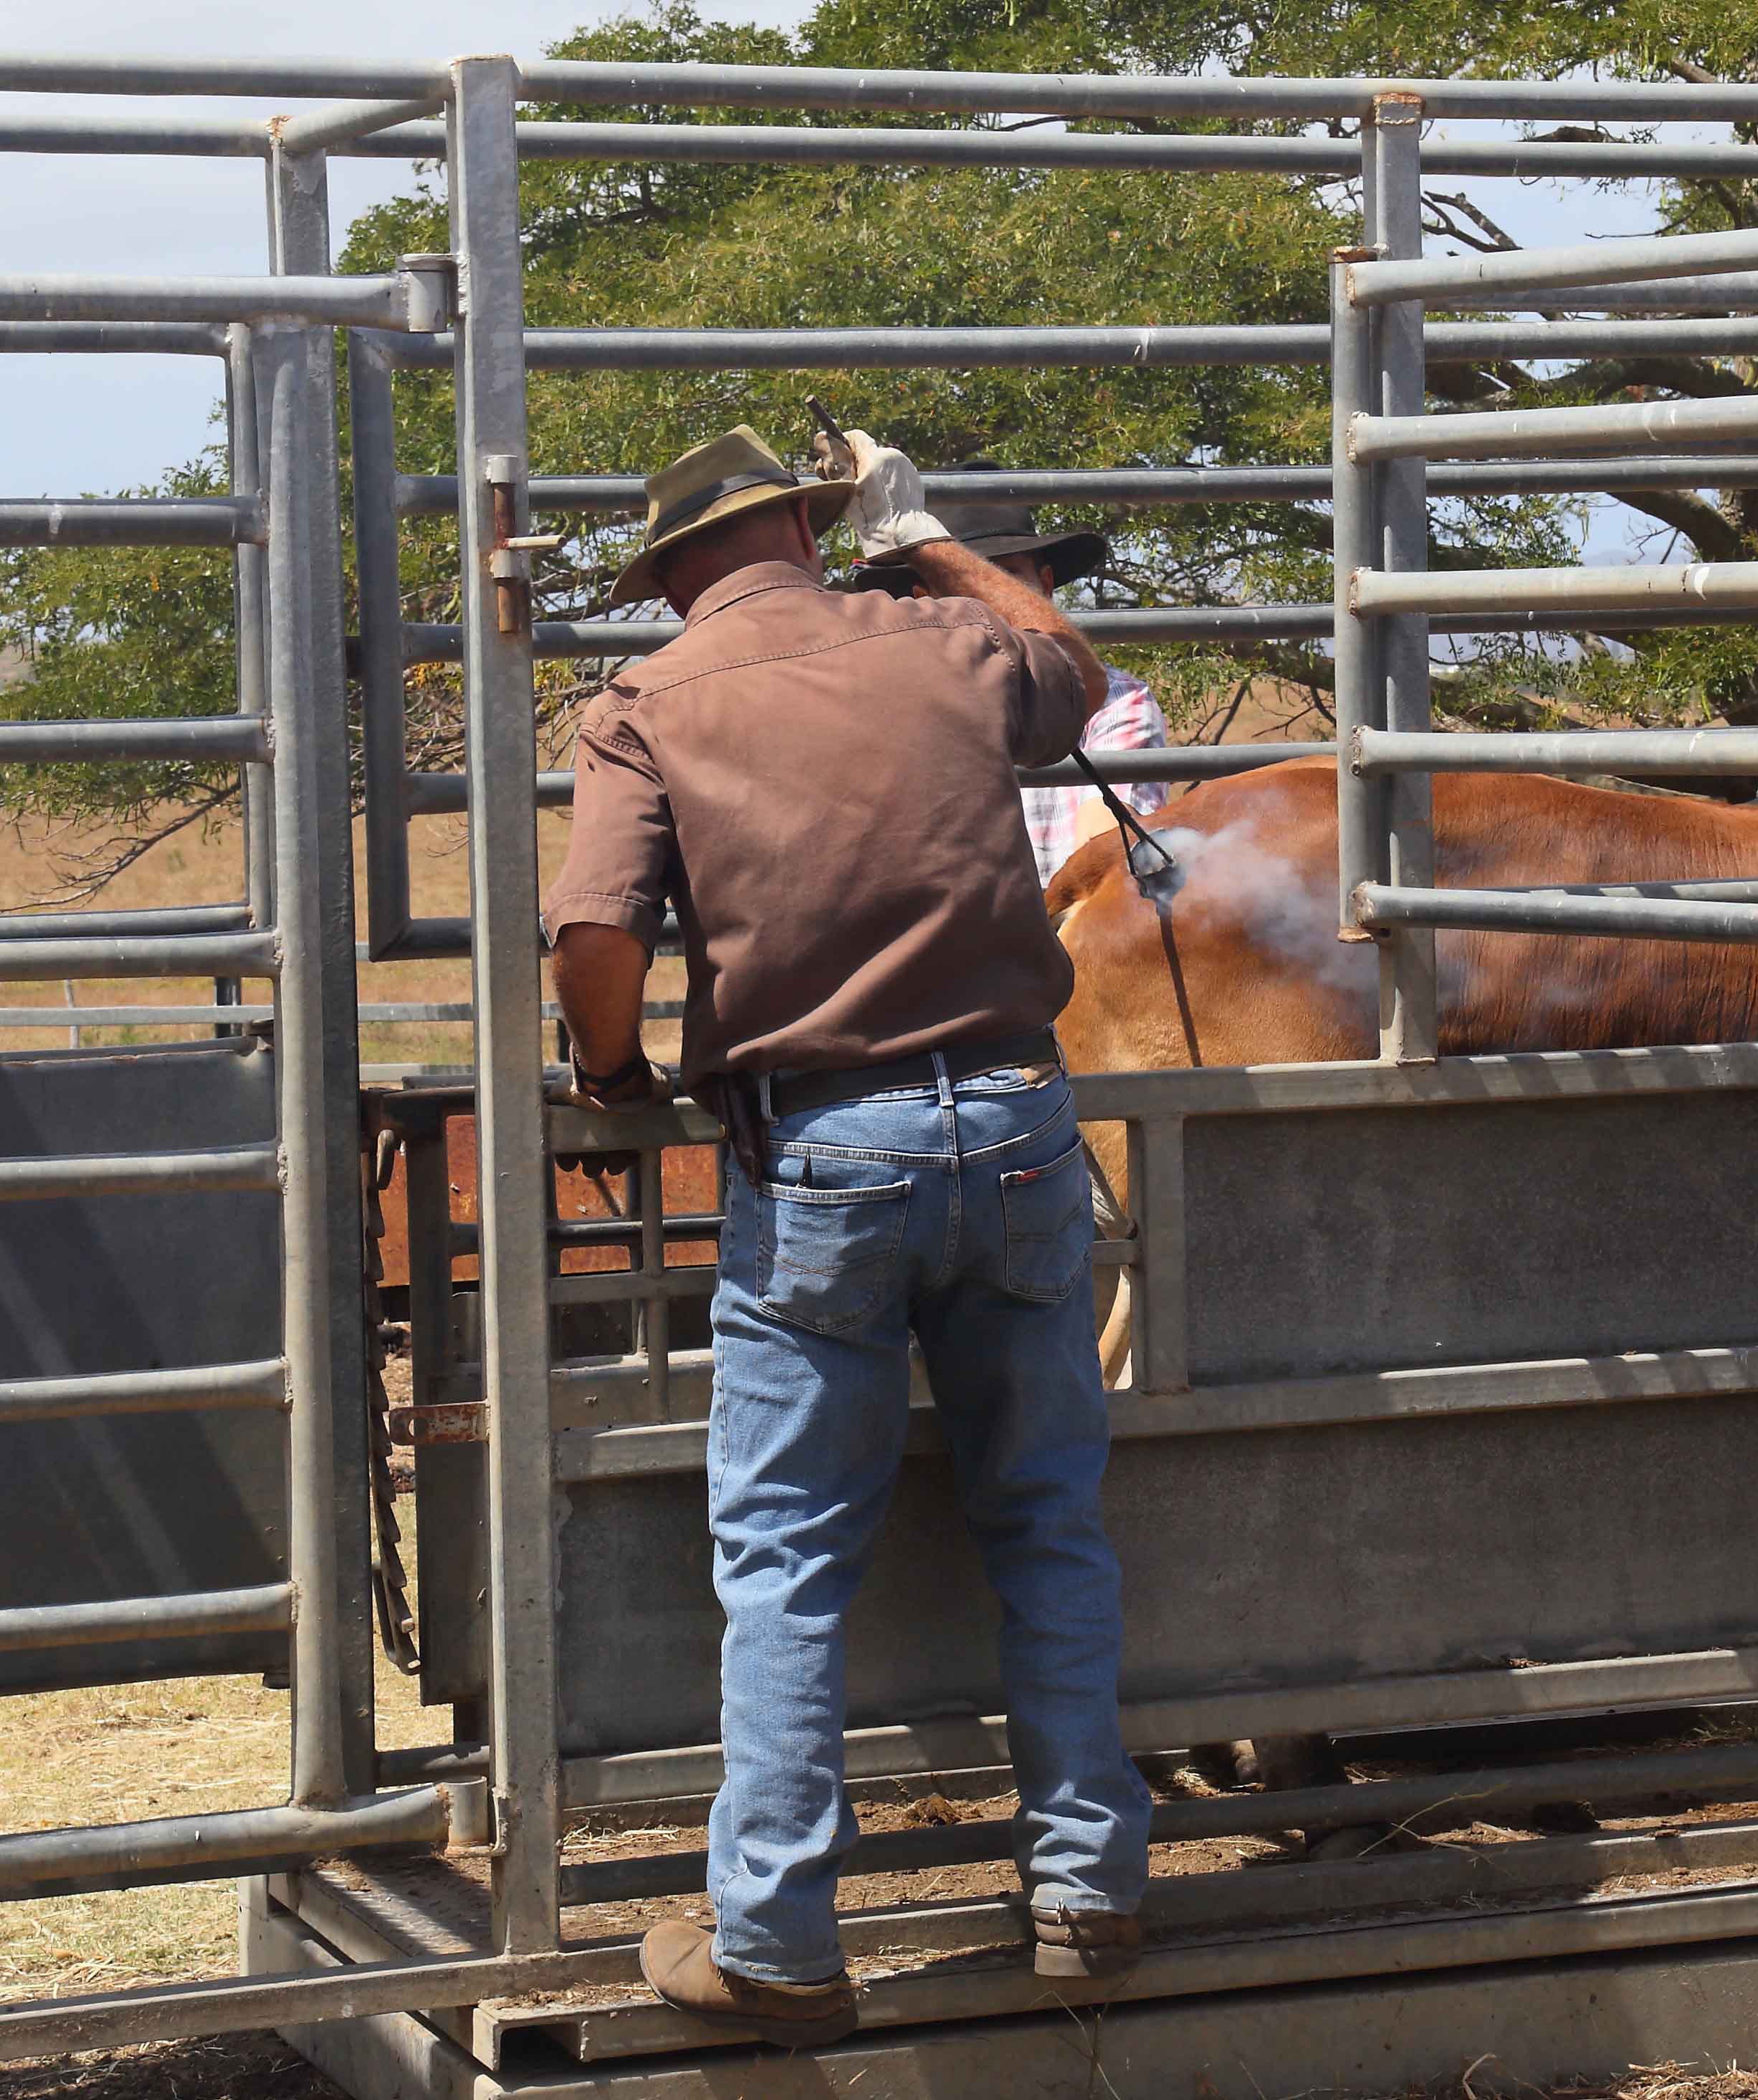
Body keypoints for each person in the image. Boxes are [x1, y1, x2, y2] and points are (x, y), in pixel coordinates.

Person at [542, 425, 1154, 2047]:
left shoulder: (649, 704)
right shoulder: (944, 639)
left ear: (674, 572)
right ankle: (1088, 1887)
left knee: (792, 1554)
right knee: (1048, 1516)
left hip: (820, 1146)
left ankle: (782, 1937)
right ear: (813, 529)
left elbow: (596, 931)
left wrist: (609, 1072)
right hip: (1019, 1122)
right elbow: (1075, 673)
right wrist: (936, 537)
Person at [850, 465, 1170, 887]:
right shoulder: (891, 710)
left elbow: (1103, 869)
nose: (991, 602)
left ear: (1045, 584)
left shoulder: (1117, 701)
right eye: (966, 584)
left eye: (1007, 579)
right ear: (925, 600)